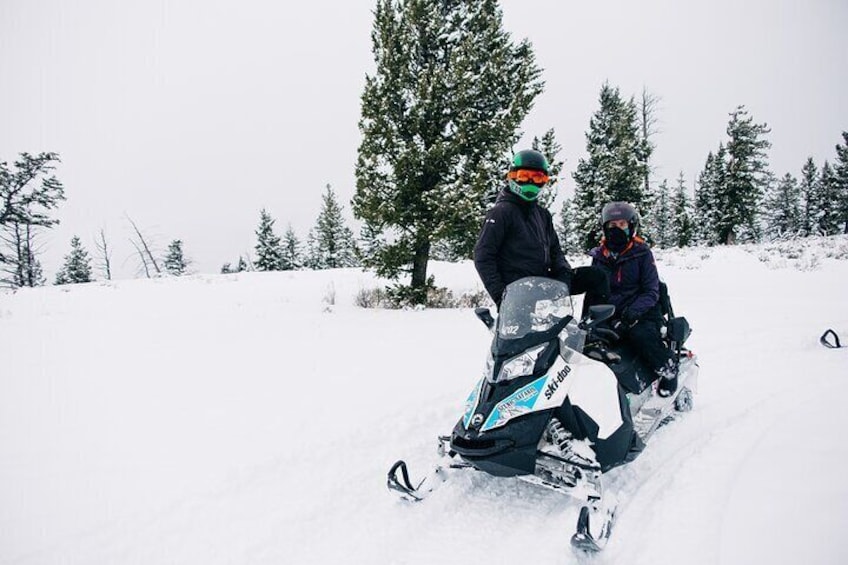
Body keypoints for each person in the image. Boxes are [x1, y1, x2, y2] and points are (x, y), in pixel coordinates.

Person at [473, 149, 609, 314]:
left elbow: (556, 253)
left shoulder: (542, 215)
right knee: (528, 336)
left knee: (596, 276)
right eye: (524, 176)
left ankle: (591, 333)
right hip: (517, 290)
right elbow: (483, 256)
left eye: (537, 177)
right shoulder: (501, 213)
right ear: (512, 176)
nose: (530, 182)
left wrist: (563, 275)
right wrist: (501, 296)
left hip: (543, 282)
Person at [588, 202, 678, 397]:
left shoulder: (641, 253)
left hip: (641, 311)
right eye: (612, 225)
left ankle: (667, 369)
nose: (616, 229)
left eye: (621, 224)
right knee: (585, 342)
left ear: (631, 226)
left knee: (640, 335)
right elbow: (593, 289)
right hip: (609, 312)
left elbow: (651, 291)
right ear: (604, 228)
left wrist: (631, 314)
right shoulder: (599, 256)